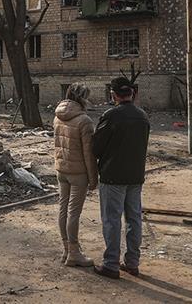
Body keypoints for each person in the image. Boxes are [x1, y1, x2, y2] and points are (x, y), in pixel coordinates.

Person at [92, 76, 150, 279]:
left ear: (113, 94)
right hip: (135, 176)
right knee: (134, 219)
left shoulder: (111, 116)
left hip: (113, 175)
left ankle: (111, 264)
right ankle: (132, 263)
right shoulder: (142, 116)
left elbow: (95, 148)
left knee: (112, 220)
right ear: (132, 93)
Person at [52, 82, 99, 267]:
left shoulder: (57, 116)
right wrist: (93, 178)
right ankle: (74, 252)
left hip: (61, 169)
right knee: (74, 212)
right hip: (78, 172)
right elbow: (89, 153)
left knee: (63, 209)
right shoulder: (84, 121)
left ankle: (66, 250)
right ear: (81, 98)